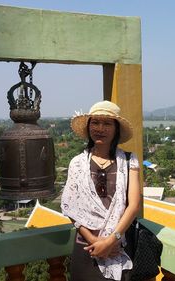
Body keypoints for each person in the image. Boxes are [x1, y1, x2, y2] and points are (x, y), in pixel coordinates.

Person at [61, 100, 141, 281]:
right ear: (89, 127)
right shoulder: (77, 163)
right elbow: (70, 207)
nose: (100, 128)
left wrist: (111, 241)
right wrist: (96, 242)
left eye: (107, 123)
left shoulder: (129, 161)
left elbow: (134, 205)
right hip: (86, 247)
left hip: (118, 247)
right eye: (95, 123)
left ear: (116, 129)